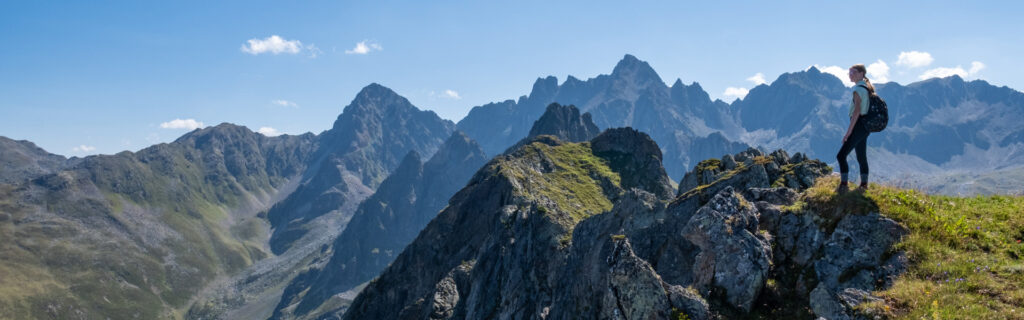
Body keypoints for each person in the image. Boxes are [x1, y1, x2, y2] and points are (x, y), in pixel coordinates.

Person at [836, 64, 873, 194]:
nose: (851, 75)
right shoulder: (867, 88)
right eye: (849, 73)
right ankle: (863, 186)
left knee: (841, 156)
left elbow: (857, 111)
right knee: (861, 157)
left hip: (858, 125)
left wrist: (848, 132)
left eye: (854, 72)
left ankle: (843, 185)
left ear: (862, 73)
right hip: (865, 127)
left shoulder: (858, 89)